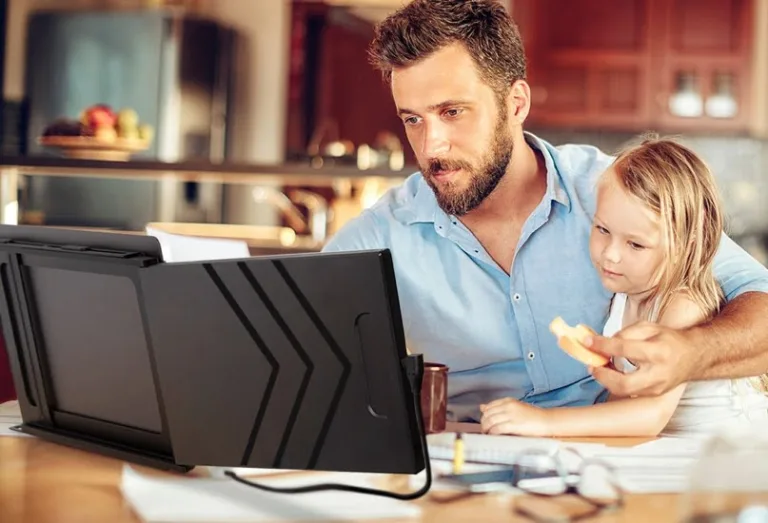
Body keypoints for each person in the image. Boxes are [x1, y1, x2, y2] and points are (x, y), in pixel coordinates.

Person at [321, 0, 768, 422]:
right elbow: (291, 340)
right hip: (466, 460)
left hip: (610, 458)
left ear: (516, 104)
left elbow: (760, 304)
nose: (431, 145)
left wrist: (692, 353)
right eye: (413, 119)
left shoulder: (614, 193)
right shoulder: (382, 234)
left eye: (453, 112)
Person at [479, 137, 768, 437]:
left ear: (685, 245)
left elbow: (650, 416)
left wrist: (542, 421)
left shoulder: (682, 305)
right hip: (676, 453)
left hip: (732, 455)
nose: (610, 254)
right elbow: (620, 402)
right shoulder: (623, 298)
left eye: (636, 244)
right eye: (603, 229)